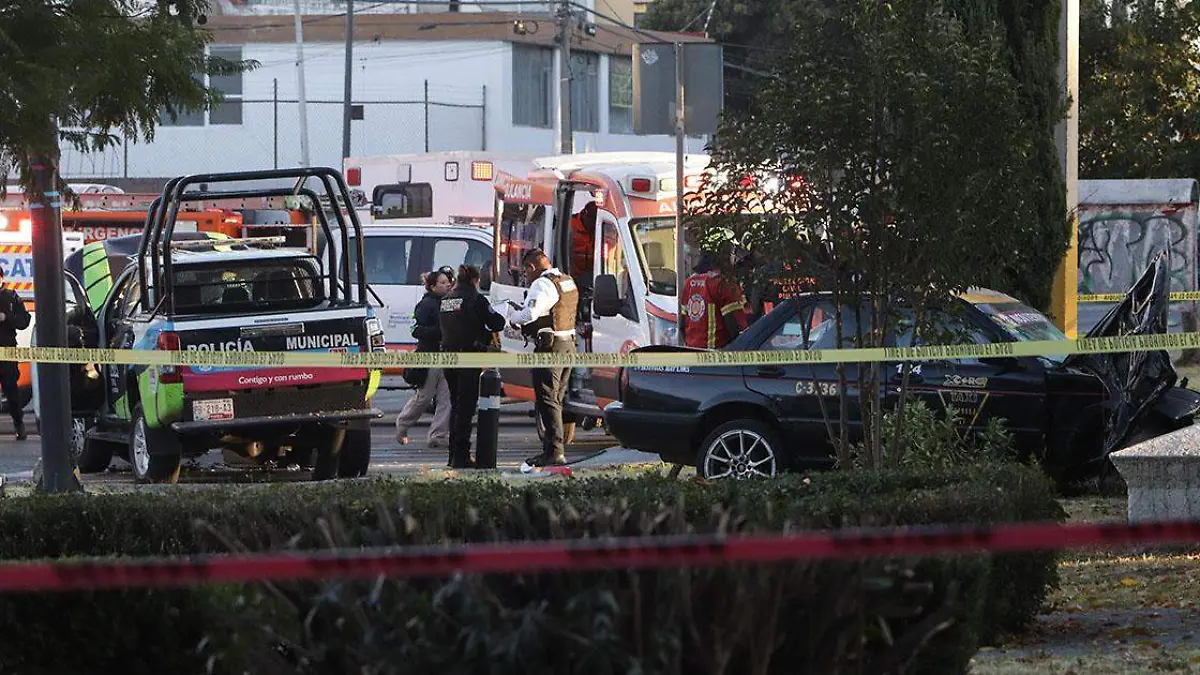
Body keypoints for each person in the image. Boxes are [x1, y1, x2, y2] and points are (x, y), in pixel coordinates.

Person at [507, 249, 579, 468]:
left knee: (547, 400)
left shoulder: (542, 283)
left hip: (551, 348)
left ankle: (555, 452)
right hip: (568, 346)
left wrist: (513, 318)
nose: (526, 278)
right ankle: (552, 450)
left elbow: (530, 313)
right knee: (555, 400)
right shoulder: (566, 280)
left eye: (525, 273)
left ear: (531, 267)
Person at [438, 264, 506, 469]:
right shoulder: (476, 299)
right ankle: (462, 456)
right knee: (465, 409)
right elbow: (497, 322)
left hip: (448, 357)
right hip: (468, 357)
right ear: (475, 281)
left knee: (455, 406)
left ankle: (453, 455)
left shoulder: (447, 299)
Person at [394, 266, 454, 448]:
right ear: (432, 287)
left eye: (448, 282)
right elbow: (416, 330)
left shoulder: (449, 303)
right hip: (430, 357)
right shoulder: (426, 305)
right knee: (424, 397)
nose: (447, 285)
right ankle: (402, 424)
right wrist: (440, 332)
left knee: (446, 399)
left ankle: (438, 435)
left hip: (447, 357)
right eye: (442, 283)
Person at [682, 249, 749, 349]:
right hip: (716, 353)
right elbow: (733, 324)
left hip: (692, 351)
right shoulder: (724, 284)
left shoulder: (689, 282)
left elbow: (682, 323)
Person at [0, 269, 30, 440]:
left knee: (11, 391)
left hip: (7, 350)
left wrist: (7, 317)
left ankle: (19, 423)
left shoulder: (11, 297)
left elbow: (24, 321)